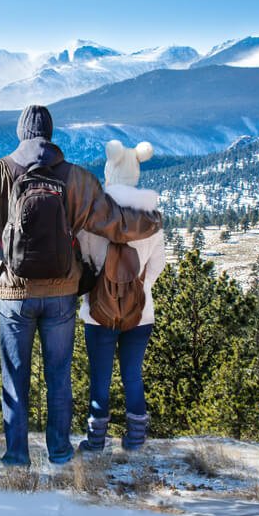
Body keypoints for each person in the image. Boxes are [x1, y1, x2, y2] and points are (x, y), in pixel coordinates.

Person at [0, 105, 162, 466]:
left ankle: (16, 455)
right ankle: (59, 451)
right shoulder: (77, 178)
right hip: (61, 292)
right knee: (59, 376)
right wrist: (151, 220)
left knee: (15, 376)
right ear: (51, 134)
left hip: (14, 292)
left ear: (20, 134)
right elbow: (115, 223)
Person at [76, 140, 166, 452]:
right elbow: (157, 265)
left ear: (109, 172)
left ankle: (96, 440)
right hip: (140, 312)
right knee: (132, 376)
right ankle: (136, 440)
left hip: (97, 311)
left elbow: (83, 259)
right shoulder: (152, 219)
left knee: (100, 378)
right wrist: (139, 289)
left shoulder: (93, 216)